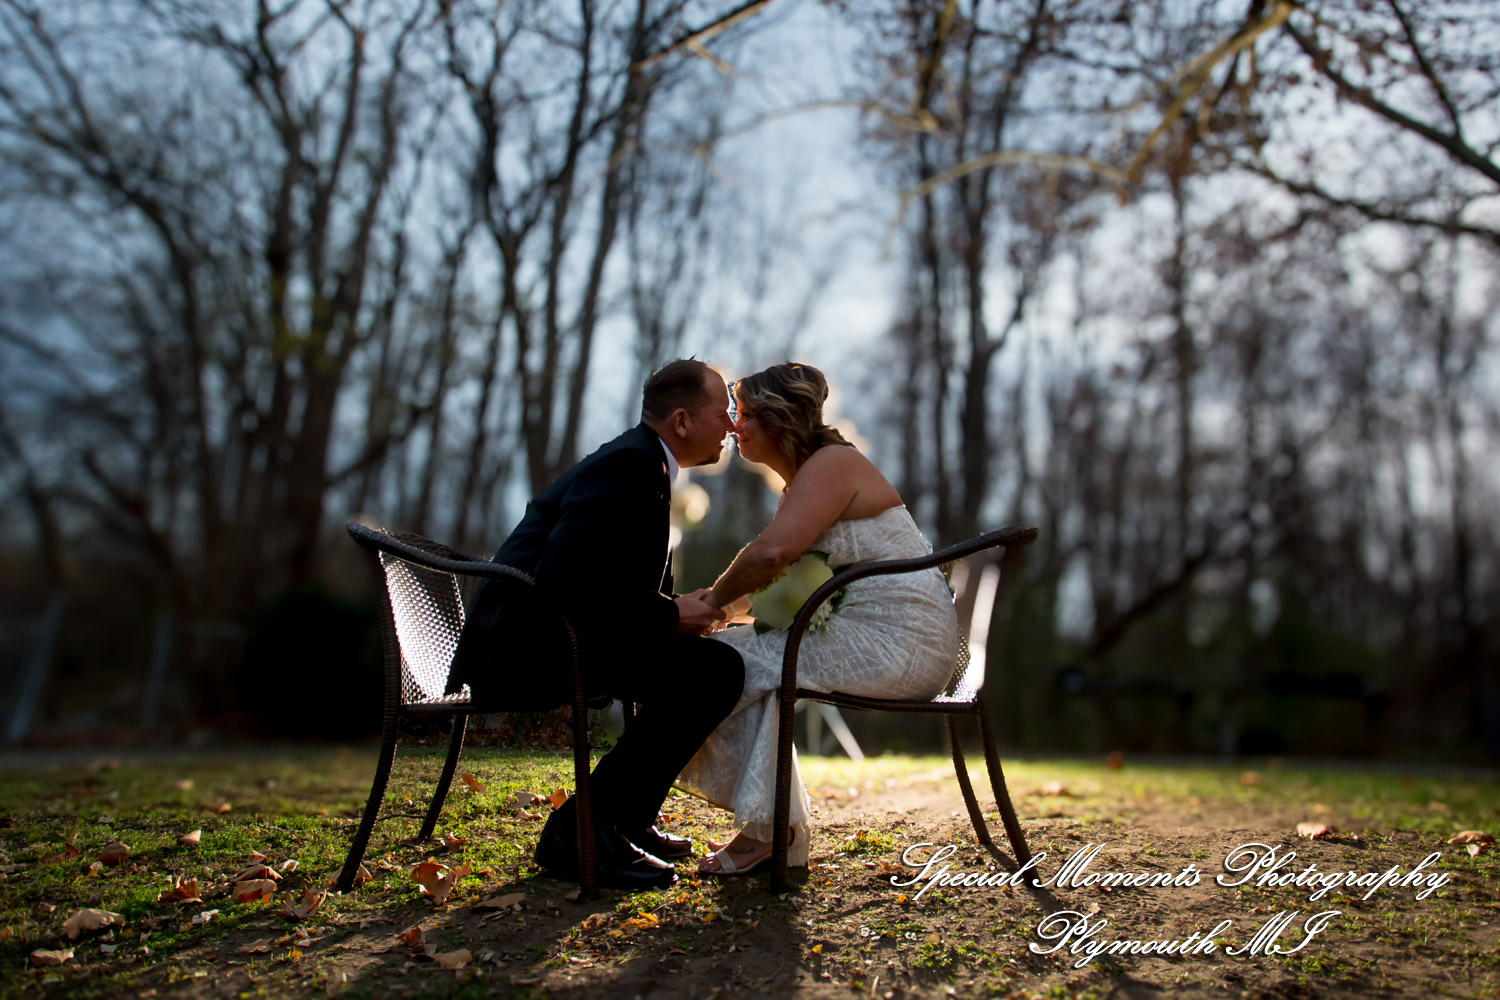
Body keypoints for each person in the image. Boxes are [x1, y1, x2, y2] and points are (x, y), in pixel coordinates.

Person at [447, 359, 743, 890]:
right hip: (530, 646)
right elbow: (567, 584)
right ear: (681, 421)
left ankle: (621, 823)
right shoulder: (628, 466)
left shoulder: (639, 461)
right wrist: (671, 614)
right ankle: (581, 830)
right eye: (722, 413)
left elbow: (604, 583)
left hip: (557, 634)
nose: (731, 426)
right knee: (715, 670)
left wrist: (673, 611)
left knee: (708, 665)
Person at [677, 362, 960, 876]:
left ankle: (772, 833)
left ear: (779, 419)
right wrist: (720, 606)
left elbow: (771, 555)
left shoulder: (832, 465)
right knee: (741, 654)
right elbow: (787, 584)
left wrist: (713, 605)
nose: (735, 426)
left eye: (745, 415)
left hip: (901, 644)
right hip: (872, 636)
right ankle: (770, 832)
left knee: (728, 659)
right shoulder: (810, 479)